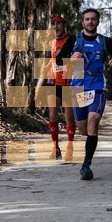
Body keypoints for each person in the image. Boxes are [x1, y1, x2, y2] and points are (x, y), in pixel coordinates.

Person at [68, 8, 112, 180]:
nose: (90, 22)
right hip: (78, 88)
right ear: (82, 22)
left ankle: (86, 165)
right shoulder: (73, 40)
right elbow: (56, 63)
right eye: (87, 19)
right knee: (83, 129)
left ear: (98, 22)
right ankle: (87, 153)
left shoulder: (106, 41)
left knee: (93, 122)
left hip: (97, 88)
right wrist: (70, 60)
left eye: (93, 19)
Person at [43, 15, 76, 158]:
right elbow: (51, 58)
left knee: (69, 117)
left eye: (58, 24)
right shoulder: (50, 42)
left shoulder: (73, 40)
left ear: (64, 25)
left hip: (68, 82)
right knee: (52, 114)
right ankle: (55, 148)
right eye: (53, 24)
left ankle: (70, 146)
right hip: (52, 81)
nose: (55, 27)